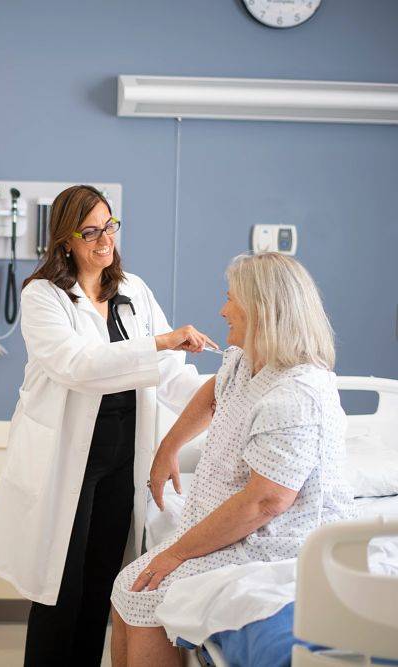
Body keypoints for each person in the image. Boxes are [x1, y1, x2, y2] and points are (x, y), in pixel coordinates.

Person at [0, 185, 215, 666]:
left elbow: (169, 375)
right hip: (68, 459)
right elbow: (77, 366)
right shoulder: (44, 297)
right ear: (66, 239)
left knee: (103, 579)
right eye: (90, 231)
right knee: (60, 587)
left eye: (110, 226)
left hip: (124, 454)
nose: (104, 239)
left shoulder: (133, 291)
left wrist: (227, 395)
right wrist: (162, 342)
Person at [109, 252, 354, 667]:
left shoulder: (297, 395)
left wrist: (177, 553)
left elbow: (267, 502)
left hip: (277, 543)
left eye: (231, 299)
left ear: (262, 308)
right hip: (238, 523)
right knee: (128, 589)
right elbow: (214, 392)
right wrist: (168, 447)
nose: (222, 309)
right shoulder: (249, 359)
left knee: (139, 590)